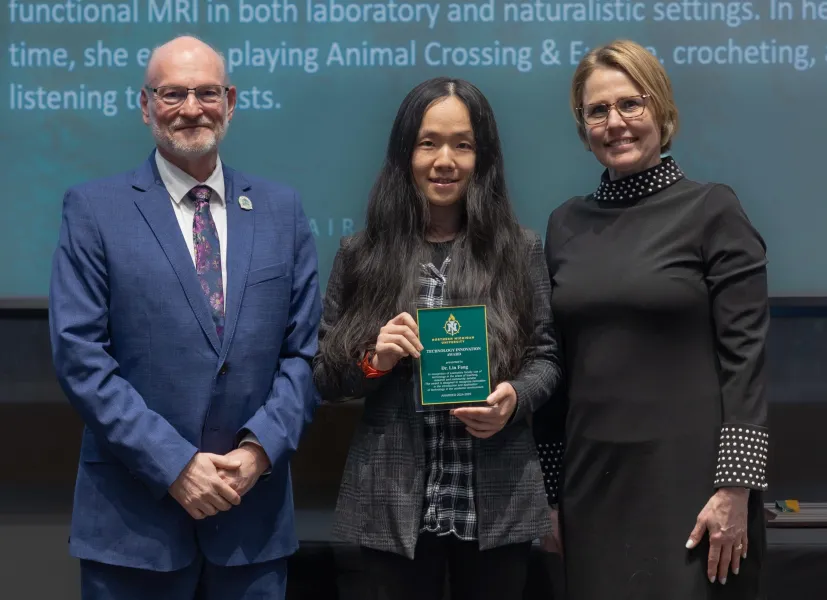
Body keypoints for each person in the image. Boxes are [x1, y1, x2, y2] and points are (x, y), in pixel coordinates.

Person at [48, 35, 321, 599]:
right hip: (134, 527)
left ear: (231, 100)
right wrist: (174, 466)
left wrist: (258, 451)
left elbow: (304, 353)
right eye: (173, 94)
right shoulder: (94, 210)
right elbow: (80, 357)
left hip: (252, 523)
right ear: (146, 105)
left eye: (206, 92)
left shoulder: (282, 210)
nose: (192, 108)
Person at [534, 39, 769, 599]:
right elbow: (557, 368)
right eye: (597, 110)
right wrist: (548, 495)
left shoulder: (713, 210)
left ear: (661, 112)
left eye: (631, 104)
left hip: (693, 492)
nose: (615, 122)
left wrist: (735, 488)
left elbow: (747, 360)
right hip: (590, 488)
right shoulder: (564, 224)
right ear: (582, 126)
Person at [313, 77, 562, 600]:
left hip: (496, 499)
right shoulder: (361, 254)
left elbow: (545, 359)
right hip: (393, 501)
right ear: (405, 153)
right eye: (428, 143)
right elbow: (325, 378)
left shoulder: (520, 249)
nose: (444, 160)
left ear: (483, 156)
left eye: (462, 144)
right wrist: (374, 360)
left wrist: (514, 400)